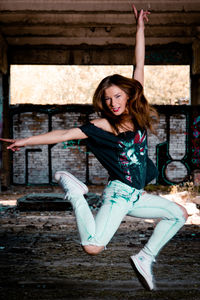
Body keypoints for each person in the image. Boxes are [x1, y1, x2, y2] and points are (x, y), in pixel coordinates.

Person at [0, 5, 188, 291]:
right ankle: (77, 194)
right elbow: (63, 133)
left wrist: (140, 29)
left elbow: (139, 66)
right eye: (107, 99)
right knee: (92, 247)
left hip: (136, 195)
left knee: (179, 214)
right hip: (118, 195)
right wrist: (25, 141)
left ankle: (145, 257)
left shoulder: (135, 116)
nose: (113, 102)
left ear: (127, 95)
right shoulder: (102, 125)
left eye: (117, 96)